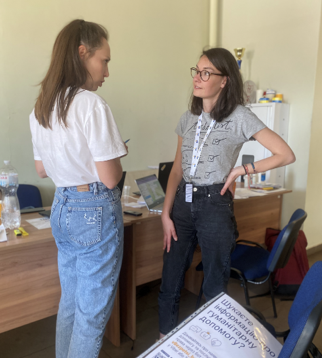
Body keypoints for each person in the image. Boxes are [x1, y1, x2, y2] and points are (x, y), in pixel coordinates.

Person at [158, 47, 295, 337]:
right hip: (182, 202)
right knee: (170, 281)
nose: (197, 78)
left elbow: (285, 154)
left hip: (214, 205)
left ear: (224, 81)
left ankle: (210, 345)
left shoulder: (240, 117)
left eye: (206, 73)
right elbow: (177, 171)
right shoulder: (187, 117)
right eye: (196, 71)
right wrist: (165, 214)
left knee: (214, 287)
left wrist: (241, 170)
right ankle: (163, 344)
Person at [29, 19, 127, 358]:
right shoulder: (90, 105)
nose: (107, 72)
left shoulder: (41, 107)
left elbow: (42, 169)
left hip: (62, 208)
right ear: (82, 53)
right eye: (105, 61)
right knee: (91, 316)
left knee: (70, 303)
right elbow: (112, 178)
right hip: (94, 210)